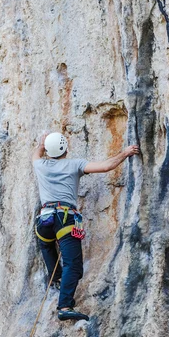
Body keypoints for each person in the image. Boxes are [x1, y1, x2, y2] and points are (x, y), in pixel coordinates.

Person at [32, 132, 139, 321]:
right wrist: (125, 152)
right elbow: (106, 166)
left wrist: (42, 143)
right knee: (73, 265)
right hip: (65, 219)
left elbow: (37, 153)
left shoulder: (40, 165)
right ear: (66, 147)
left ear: (48, 150)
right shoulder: (75, 164)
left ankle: (55, 277)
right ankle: (64, 306)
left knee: (46, 244)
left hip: (45, 220)